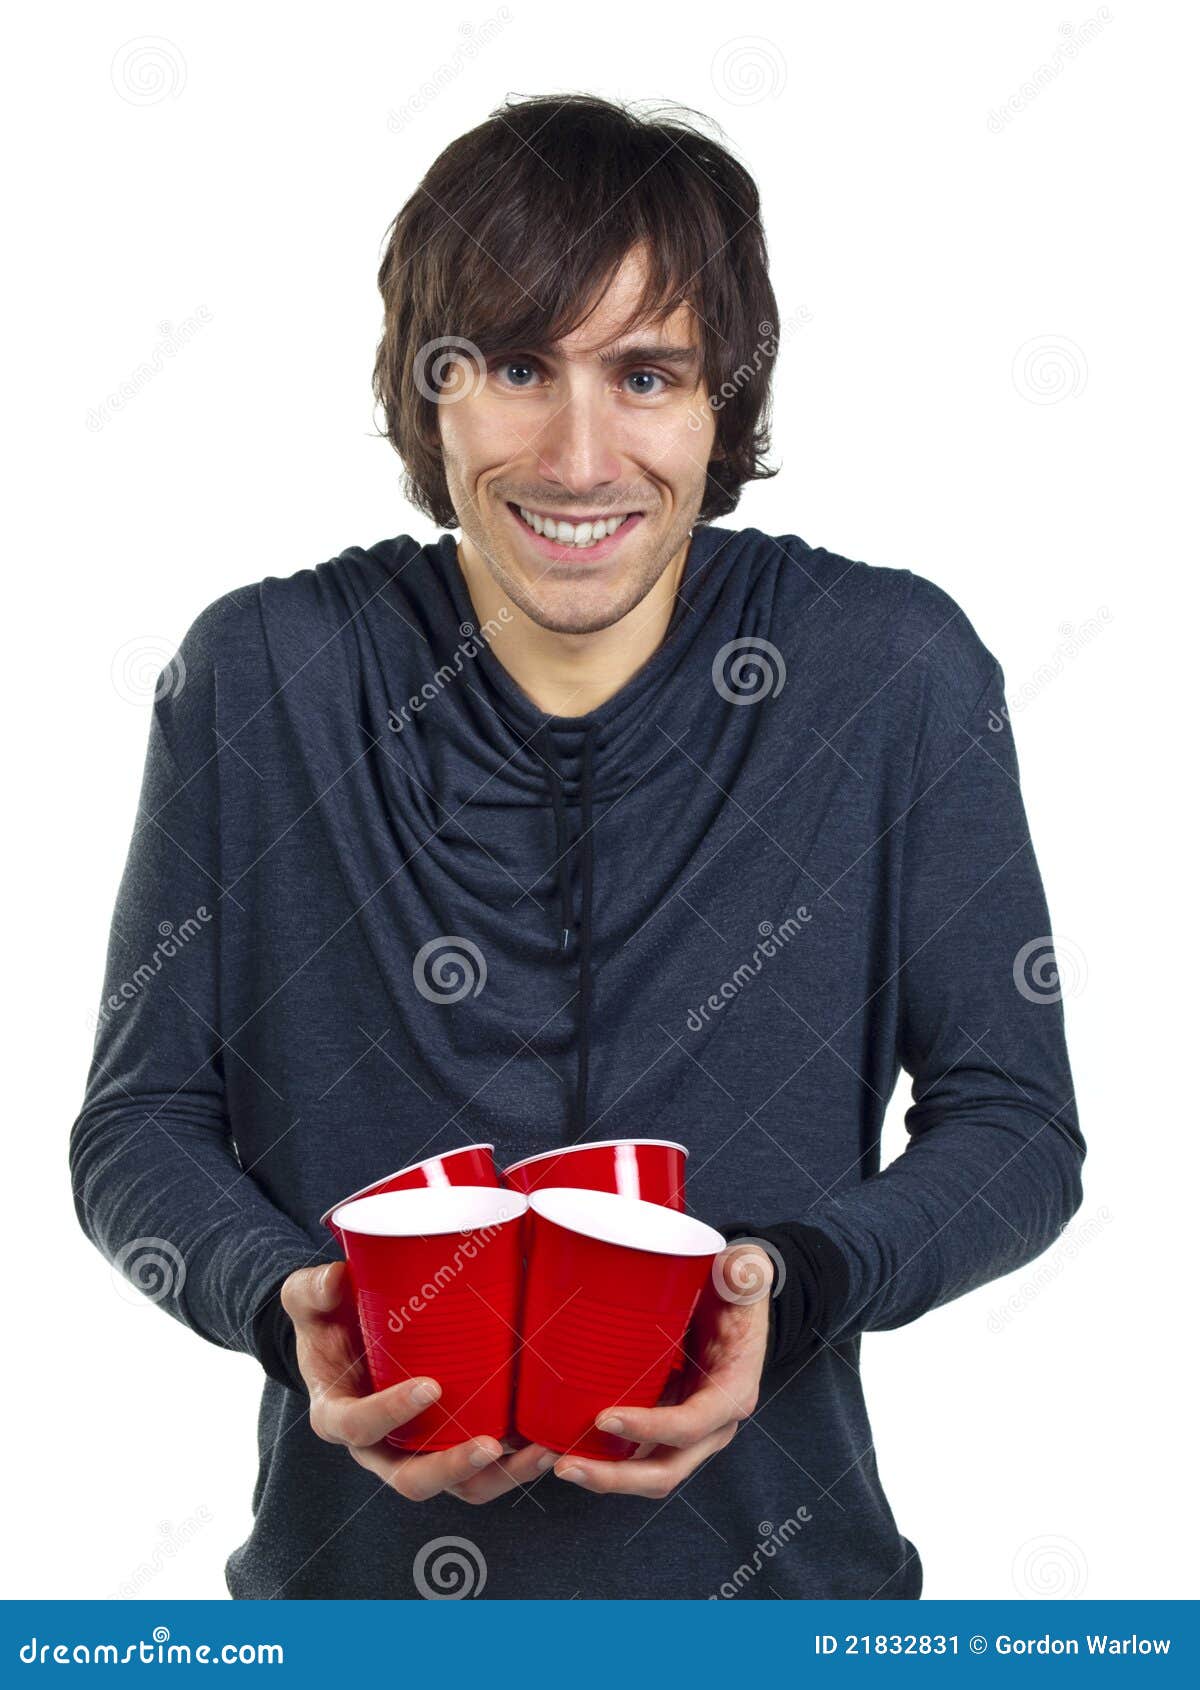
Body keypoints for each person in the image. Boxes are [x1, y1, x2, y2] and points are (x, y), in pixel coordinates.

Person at [69, 93, 1085, 1600]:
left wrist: (790, 1286)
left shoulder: (891, 673)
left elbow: (1017, 1128)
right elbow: (138, 1122)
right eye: (518, 369)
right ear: (427, 394)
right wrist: (287, 1300)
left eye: (648, 372)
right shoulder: (262, 676)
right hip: (351, 1624)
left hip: (785, 1620)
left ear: (723, 405)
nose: (582, 453)